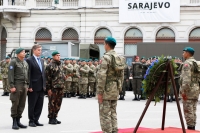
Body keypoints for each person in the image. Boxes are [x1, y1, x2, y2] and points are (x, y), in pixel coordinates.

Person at [97, 37, 125, 133]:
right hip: (115, 88)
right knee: (113, 112)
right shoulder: (119, 58)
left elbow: (102, 75)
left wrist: (100, 92)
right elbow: (122, 75)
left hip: (106, 89)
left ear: (107, 45)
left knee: (105, 114)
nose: (104, 46)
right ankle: (114, 131)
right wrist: (119, 87)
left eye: (104, 44)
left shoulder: (106, 57)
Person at [8, 48, 29, 130]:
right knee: (15, 103)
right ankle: (14, 122)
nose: (24, 53)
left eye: (24, 52)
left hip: (24, 85)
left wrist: (27, 85)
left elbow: (27, 75)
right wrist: (12, 86)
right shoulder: (13, 62)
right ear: (17, 53)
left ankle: (18, 120)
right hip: (17, 85)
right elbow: (10, 74)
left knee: (22, 104)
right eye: (22, 52)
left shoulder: (25, 62)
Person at [180, 47, 199, 130]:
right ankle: (193, 127)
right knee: (193, 110)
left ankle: (190, 129)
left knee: (188, 111)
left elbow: (186, 80)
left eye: (184, 52)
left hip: (188, 90)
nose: (183, 54)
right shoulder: (196, 63)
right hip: (195, 90)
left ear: (187, 53)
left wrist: (183, 91)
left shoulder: (187, 64)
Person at [26, 44, 46, 127]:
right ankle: (31, 120)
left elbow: (43, 74)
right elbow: (28, 74)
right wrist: (29, 86)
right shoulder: (29, 60)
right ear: (34, 50)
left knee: (39, 104)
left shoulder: (41, 60)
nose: (40, 51)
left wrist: (44, 85)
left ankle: (36, 119)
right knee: (32, 104)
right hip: (33, 86)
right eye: (38, 50)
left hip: (41, 86)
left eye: (40, 50)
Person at [46, 51, 65, 125]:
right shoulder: (50, 65)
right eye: (57, 55)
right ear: (53, 56)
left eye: (59, 55)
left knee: (58, 103)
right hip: (53, 88)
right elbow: (47, 78)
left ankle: (55, 116)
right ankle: (51, 118)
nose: (58, 57)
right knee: (52, 103)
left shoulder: (60, 64)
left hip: (61, 87)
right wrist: (48, 89)